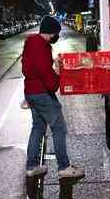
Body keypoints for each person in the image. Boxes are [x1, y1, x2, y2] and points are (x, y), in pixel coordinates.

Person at [21, 15, 85, 179]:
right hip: (41, 93)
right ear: (51, 33)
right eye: (56, 33)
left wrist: (51, 64)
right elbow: (48, 79)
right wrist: (57, 72)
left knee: (38, 128)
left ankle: (32, 166)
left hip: (31, 92)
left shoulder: (31, 42)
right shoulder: (41, 47)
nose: (56, 37)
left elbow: (32, 67)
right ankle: (64, 167)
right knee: (59, 128)